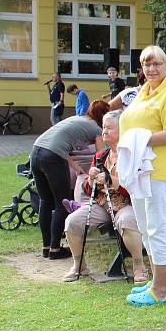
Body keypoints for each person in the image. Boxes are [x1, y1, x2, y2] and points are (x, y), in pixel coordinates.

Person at [119, 45, 166, 307]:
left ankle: (159, 291)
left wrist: (141, 139)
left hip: (161, 172)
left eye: (157, 63)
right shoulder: (143, 92)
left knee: (158, 230)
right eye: (147, 64)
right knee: (147, 231)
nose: (152, 68)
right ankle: (160, 282)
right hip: (141, 172)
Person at [61, 110, 148, 283]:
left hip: (126, 204)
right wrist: (91, 179)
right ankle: (79, 265)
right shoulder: (101, 155)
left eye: (109, 128)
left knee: (127, 221)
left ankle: (139, 265)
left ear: (122, 130)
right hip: (102, 204)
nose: (104, 132)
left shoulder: (132, 156)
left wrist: (112, 181)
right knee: (72, 221)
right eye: (103, 128)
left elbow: (138, 187)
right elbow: (88, 189)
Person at [30, 100, 107, 260]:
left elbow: (61, 143)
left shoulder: (76, 119)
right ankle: (55, 249)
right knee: (62, 202)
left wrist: (75, 166)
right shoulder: (96, 129)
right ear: (103, 117)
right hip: (52, 156)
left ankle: (47, 248)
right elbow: (101, 156)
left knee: (45, 200)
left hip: (36, 151)